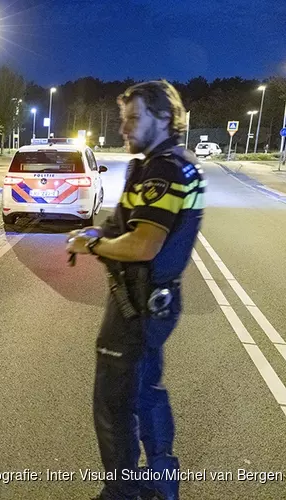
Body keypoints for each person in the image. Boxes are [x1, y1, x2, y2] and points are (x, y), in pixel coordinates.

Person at [65, 80, 205, 500]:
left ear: (163, 118)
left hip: (138, 304)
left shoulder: (164, 169)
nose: (124, 128)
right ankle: (162, 485)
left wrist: (93, 244)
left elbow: (144, 243)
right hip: (149, 300)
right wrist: (99, 231)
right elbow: (125, 224)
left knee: (114, 403)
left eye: (132, 119)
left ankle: (123, 492)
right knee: (146, 392)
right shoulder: (159, 164)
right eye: (123, 119)